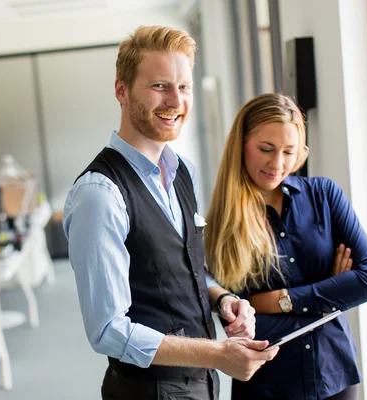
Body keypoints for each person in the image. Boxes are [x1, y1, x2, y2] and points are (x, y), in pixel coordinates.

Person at [63, 25, 278, 400]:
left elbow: (185, 269)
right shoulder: (100, 194)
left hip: (202, 382)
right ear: (121, 90)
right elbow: (108, 330)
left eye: (184, 87)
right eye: (160, 86)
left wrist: (223, 300)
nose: (175, 101)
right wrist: (216, 354)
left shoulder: (184, 173)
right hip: (148, 390)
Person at [204, 93, 367, 400]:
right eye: (266, 149)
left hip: (334, 377)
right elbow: (244, 328)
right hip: (268, 385)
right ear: (241, 144)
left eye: (289, 151)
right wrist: (332, 294)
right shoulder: (221, 225)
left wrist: (279, 300)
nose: (278, 163)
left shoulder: (325, 196)